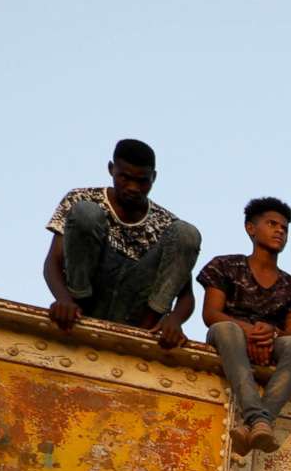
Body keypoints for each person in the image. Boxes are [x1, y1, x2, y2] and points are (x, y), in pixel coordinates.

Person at [40, 139, 200, 350]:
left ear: (153, 178)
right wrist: (63, 300)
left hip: (137, 307)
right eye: (124, 177)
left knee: (186, 233)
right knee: (85, 212)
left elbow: (186, 294)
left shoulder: (166, 223)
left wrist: (175, 319)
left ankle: (146, 329)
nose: (133, 187)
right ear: (111, 169)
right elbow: (53, 260)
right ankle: (77, 306)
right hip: (88, 296)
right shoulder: (81, 197)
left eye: (142, 181)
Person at [195, 198, 291, 457]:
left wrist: (269, 336)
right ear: (251, 228)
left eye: (284, 227)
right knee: (228, 329)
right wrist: (250, 331)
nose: (280, 231)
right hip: (228, 338)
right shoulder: (225, 266)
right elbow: (211, 314)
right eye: (272, 224)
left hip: (270, 343)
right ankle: (257, 418)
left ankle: (259, 421)